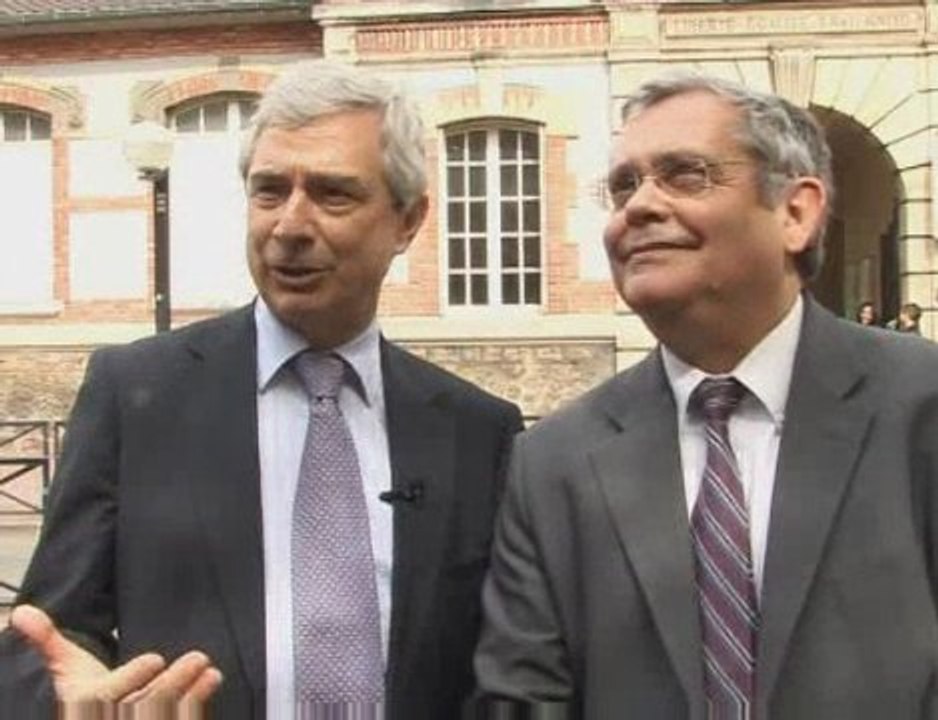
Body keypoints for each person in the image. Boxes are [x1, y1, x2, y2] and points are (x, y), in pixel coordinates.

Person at [1, 60, 523, 719]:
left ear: (408, 220)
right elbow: (48, 635)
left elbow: (507, 671)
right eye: (270, 191)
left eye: (333, 194)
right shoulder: (136, 396)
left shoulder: (478, 432)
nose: (290, 226)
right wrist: (66, 696)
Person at [475, 71, 938, 720]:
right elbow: (522, 700)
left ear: (796, 212)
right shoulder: (555, 463)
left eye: (685, 175)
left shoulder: (920, 408)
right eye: (623, 186)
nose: (639, 206)